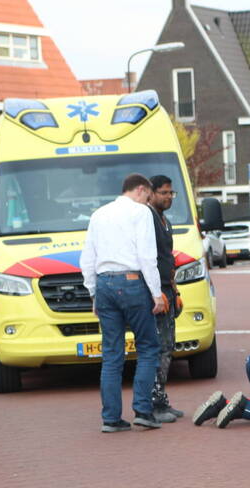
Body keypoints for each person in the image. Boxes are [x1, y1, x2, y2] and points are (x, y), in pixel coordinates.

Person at [80, 173, 168, 432]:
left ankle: (111, 418)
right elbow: (147, 255)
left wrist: (93, 293)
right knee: (149, 347)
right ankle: (142, 410)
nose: (148, 202)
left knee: (111, 353)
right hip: (132, 282)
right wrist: (156, 294)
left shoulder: (98, 214)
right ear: (141, 190)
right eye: (148, 196)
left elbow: (87, 257)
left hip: (104, 283)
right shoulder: (140, 214)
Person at [147, 175, 184, 423]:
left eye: (171, 193)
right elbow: (147, 259)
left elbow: (167, 260)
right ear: (151, 193)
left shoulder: (164, 220)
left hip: (168, 290)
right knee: (158, 347)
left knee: (168, 346)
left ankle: (161, 400)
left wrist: (175, 290)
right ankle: (153, 403)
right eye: (164, 193)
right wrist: (155, 291)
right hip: (155, 292)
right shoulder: (147, 219)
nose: (169, 197)